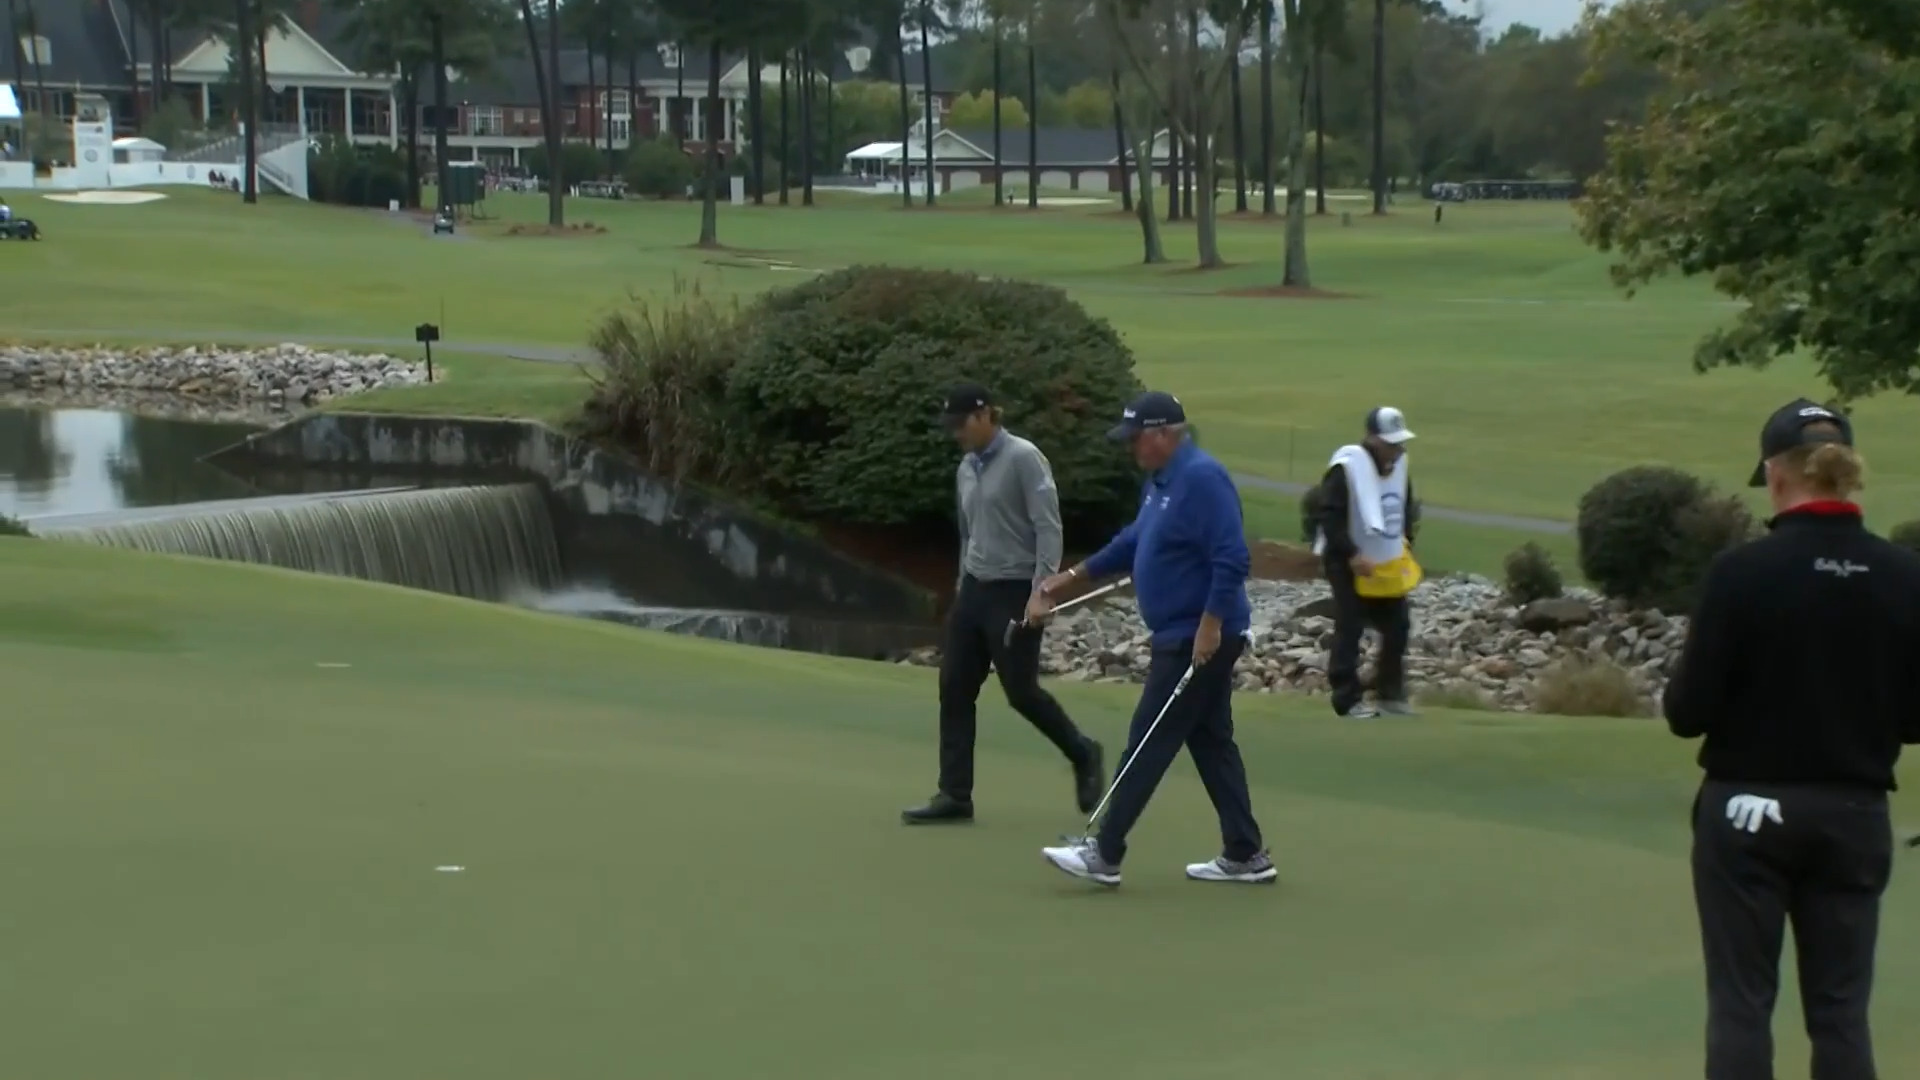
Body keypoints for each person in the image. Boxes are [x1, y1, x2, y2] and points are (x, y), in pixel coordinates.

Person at [1664, 399, 1920, 1080]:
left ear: (1777, 476)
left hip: (1748, 811)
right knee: (1841, 1014)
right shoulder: (1904, 577)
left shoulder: (1741, 573)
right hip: (1853, 815)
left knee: (1742, 1007)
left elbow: (1687, 711)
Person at [1036, 390, 1272, 888]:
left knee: (1148, 738)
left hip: (1196, 635)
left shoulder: (1203, 479)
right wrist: (1072, 576)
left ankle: (1105, 852)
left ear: (1166, 434)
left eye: (1137, 438)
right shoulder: (1161, 481)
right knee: (1211, 743)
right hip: (1181, 632)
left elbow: (1232, 558)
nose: (1132, 449)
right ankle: (1246, 853)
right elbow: (1133, 541)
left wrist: (1210, 626)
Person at [901, 384, 1105, 825]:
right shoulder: (966, 468)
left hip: (1015, 593)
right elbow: (968, 532)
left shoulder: (1024, 458)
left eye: (960, 424)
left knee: (1021, 692)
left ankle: (1083, 751)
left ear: (983, 416)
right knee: (954, 686)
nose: (956, 433)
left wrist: (1042, 592)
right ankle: (955, 794)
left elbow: (1048, 528)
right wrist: (961, 587)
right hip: (974, 589)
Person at [1312, 407, 1422, 719]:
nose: (1397, 450)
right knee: (1351, 624)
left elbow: (1403, 508)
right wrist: (1351, 554)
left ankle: (1390, 693)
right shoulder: (1346, 469)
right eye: (1390, 443)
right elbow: (1329, 517)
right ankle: (1346, 698)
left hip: (1385, 559)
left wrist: (1406, 543)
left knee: (1398, 624)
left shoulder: (1399, 467)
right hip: (1346, 560)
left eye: (1400, 443)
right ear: (1371, 439)